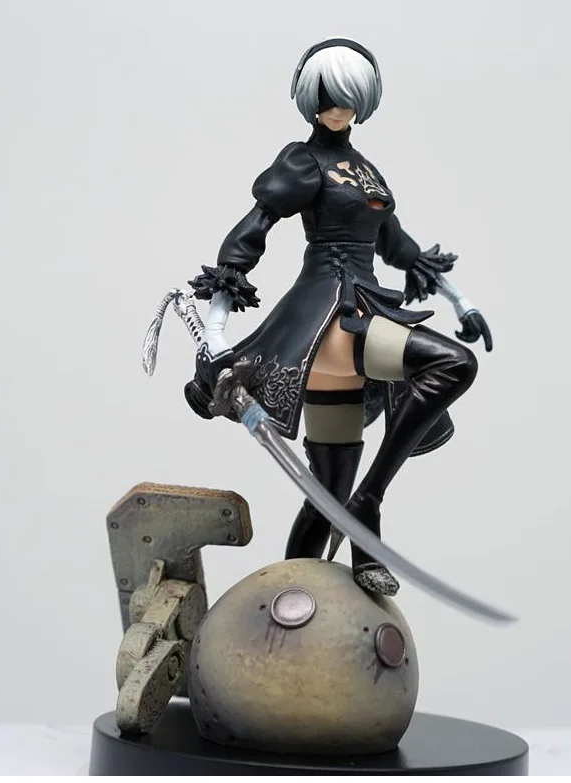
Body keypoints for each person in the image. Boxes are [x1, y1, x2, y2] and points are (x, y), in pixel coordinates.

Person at [184, 38, 492, 597]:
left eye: (348, 98)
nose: (337, 108)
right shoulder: (303, 161)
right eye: (327, 97)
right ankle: (368, 506)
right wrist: (216, 329)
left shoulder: (367, 172)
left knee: (325, 496)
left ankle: (285, 601)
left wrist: (460, 301)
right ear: (311, 99)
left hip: (364, 310)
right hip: (331, 317)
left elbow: (400, 247)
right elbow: (253, 231)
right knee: (453, 364)